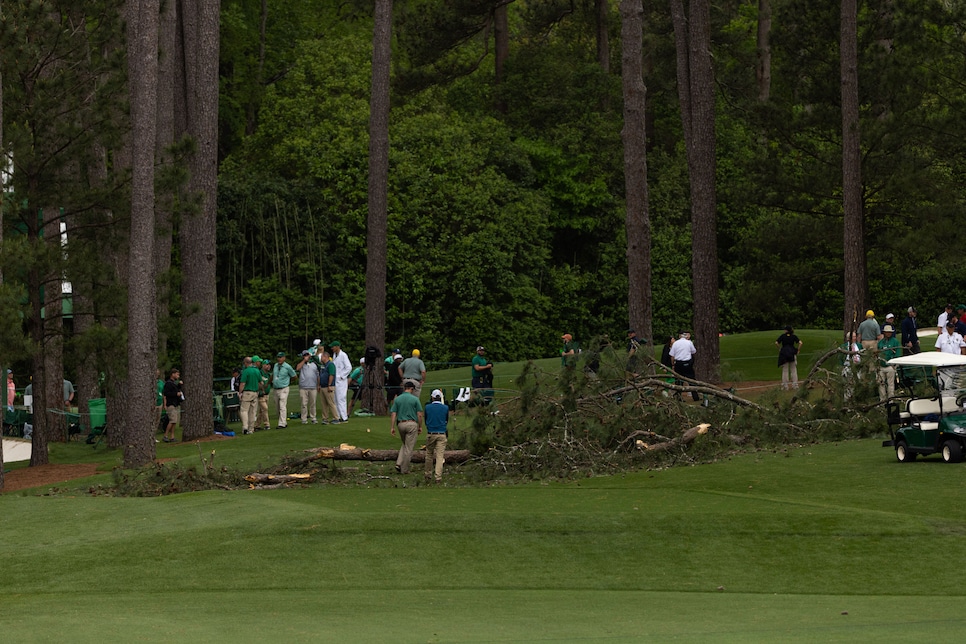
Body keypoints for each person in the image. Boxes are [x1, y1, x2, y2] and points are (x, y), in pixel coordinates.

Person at [390, 381, 423, 474]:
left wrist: (392, 427)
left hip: (400, 424)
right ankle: (404, 469)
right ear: (411, 389)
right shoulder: (415, 399)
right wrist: (420, 426)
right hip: (412, 424)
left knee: (405, 444)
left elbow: (393, 414)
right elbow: (419, 414)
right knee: (409, 448)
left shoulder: (398, 399)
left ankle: (399, 463)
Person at [424, 389, 449, 483]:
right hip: (441, 433)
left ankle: (428, 474)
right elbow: (446, 420)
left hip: (431, 432)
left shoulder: (427, 407)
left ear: (432, 397)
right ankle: (438, 477)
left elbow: (426, 419)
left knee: (429, 454)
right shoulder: (445, 408)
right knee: (439, 456)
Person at [669, 331, 699, 401]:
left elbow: (672, 355)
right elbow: (694, 351)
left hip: (679, 364)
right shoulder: (689, 342)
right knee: (691, 380)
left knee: (679, 381)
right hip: (687, 363)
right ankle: (695, 397)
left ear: (679, 336)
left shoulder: (675, 343)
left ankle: (679, 397)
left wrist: (673, 364)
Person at [271, 352, 298, 428]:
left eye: (280, 357)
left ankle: (282, 423)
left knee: (282, 406)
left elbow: (294, 376)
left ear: (284, 358)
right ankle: (283, 421)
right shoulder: (276, 365)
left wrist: (288, 381)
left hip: (284, 388)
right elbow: (273, 375)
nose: (279, 359)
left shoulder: (287, 367)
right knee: (277, 407)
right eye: (278, 357)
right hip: (276, 388)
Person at [238, 357, 262, 434]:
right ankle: (251, 429)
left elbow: (243, 383)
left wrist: (240, 392)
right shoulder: (257, 370)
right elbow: (261, 382)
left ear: (245, 363)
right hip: (255, 392)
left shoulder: (246, 371)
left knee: (244, 410)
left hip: (247, 392)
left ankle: (245, 427)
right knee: (252, 412)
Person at [296, 350, 322, 424]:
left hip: (313, 387)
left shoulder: (314, 364)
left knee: (312, 403)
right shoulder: (302, 364)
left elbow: (318, 375)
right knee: (304, 404)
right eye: (305, 355)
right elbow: (297, 368)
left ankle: (313, 417)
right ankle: (304, 418)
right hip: (303, 387)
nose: (306, 356)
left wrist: (318, 385)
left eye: (307, 355)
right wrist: (304, 360)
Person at [877, 324, 901, 401]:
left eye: (889, 332)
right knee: (881, 383)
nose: (888, 333)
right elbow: (877, 353)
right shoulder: (880, 342)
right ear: (884, 332)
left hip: (890, 366)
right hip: (881, 366)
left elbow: (898, 353)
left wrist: (894, 364)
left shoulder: (895, 342)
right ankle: (882, 400)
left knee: (890, 384)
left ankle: (891, 399)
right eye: (887, 332)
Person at [330, 341, 352, 423]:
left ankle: (344, 417)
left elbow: (349, 367)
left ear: (337, 347)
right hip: (336, 380)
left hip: (341, 381)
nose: (332, 348)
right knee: (335, 399)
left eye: (333, 347)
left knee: (341, 398)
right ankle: (337, 416)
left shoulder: (343, 355)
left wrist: (342, 376)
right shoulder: (335, 355)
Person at [776, 326, 803, 390]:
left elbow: (776, 343)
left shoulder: (783, 336)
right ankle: (795, 385)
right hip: (792, 353)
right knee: (793, 369)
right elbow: (800, 343)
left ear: (786, 330)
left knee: (785, 370)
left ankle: (785, 386)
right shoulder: (793, 336)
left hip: (784, 354)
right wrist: (798, 350)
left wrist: (780, 349)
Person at [162, 368, 183, 443]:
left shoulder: (174, 383)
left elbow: (177, 390)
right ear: (172, 374)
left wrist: (179, 386)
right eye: (177, 374)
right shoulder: (168, 383)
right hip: (170, 404)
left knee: (174, 421)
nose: (178, 376)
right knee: (172, 420)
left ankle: (172, 436)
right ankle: (165, 435)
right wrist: (175, 394)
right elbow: (166, 393)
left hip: (175, 404)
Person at [319, 351, 338, 424]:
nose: (321, 358)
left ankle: (336, 417)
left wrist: (329, 385)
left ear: (325, 357)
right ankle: (325, 418)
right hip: (323, 386)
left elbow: (331, 375)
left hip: (328, 386)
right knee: (324, 404)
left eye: (321, 357)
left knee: (331, 402)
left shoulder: (330, 364)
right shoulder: (323, 365)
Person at [256, 357, 272, 431]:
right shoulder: (260, 373)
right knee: (265, 409)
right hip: (261, 395)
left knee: (261, 411)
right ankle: (267, 424)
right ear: (263, 365)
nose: (268, 366)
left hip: (267, 394)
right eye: (266, 364)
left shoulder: (268, 375)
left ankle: (257, 425)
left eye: (269, 364)